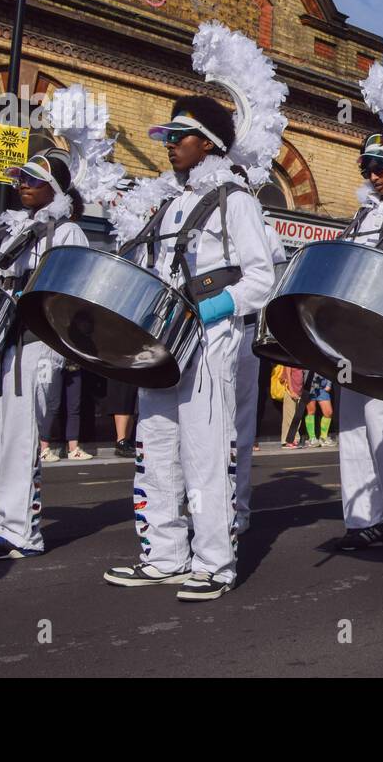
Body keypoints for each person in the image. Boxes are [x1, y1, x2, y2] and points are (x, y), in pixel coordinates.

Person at [103, 93, 274, 601]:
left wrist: (216, 308)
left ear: (211, 144)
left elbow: (263, 278)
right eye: (170, 137)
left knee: (204, 453)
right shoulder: (170, 203)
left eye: (181, 137)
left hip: (212, 340)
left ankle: (215, 564)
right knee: (155, 450)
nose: (171, 145)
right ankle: (164, 555)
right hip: (164, 341)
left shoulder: (235, 200)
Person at [0, 150, 89, 559]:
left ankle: (22, 534)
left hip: (34, 347)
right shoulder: (8, 231)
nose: (22, 185)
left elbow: (73, 292)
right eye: (21, 178)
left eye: (33, 180)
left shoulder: (67, 232)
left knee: (21, 440)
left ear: (53, 188)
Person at [334, 132, 383, 549]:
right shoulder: (359, 217)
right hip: (353, 337)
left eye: (381, 165)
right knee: (352, 428)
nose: (373, 173)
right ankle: (364, 518)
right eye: (367, 166)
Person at [232, 221, 286, 535]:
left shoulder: (261, 228)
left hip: (245, 325)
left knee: (240, 424)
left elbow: (273, 278)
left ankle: (238, 507)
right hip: (201, 326)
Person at [303, 373, 334, 447]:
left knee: (328, 412)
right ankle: (312, 438)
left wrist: (329, 384)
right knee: (311, 411)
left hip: (322, 387)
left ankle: (323, 438)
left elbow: (329, 369)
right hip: (310, 386)